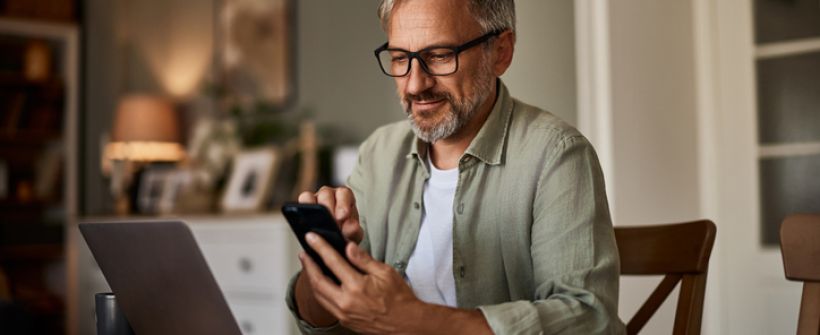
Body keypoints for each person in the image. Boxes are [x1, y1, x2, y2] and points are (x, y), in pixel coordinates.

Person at [286, 0, 624, 333]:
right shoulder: (379, 153)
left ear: (501, 51)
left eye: (439, 56)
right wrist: (326, 262)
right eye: (401, 58)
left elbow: (588, 319)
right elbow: (317, 323)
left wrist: (414, 320)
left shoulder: (557, 155)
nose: (415, 84)